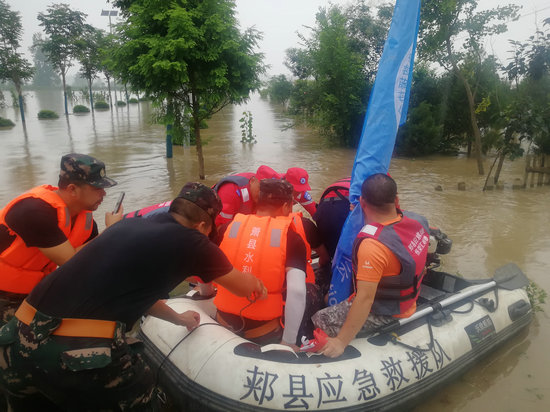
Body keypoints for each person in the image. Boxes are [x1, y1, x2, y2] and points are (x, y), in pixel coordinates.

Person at [0, 182, 266, 411]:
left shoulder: (126, 228)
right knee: (141, 390)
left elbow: (133, 293)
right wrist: (257, 282)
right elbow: (243, 288)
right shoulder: (193, 241)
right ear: (202, 225)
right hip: (73, 352)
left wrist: (178, 318)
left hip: (15, 341)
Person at [314, 174, 430, 358]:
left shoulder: (372, 245)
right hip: (408, 296)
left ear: (362, 202)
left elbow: (365, 299)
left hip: (388, 309)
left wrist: (341, 342)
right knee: (330, 297)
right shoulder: (419, 220)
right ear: (397, 199)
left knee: (320, 318)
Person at [0, 153, 120, 326]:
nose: (104, 194)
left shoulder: (85, 221)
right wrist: (111, 232)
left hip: (33, 291)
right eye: (97, 188)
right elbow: (71, 261)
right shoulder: (34, 212)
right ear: (72, 189)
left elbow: (94, 260)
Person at [214, 179, 322, 349]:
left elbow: (206, 264)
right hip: (261, 332)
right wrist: (288, 342)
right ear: (287, 206)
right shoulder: (291, 238)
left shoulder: (230, 227)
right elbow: (297, 292)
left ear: (258, 200)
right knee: (311, 291)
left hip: (222, 321)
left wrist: (204, 292)